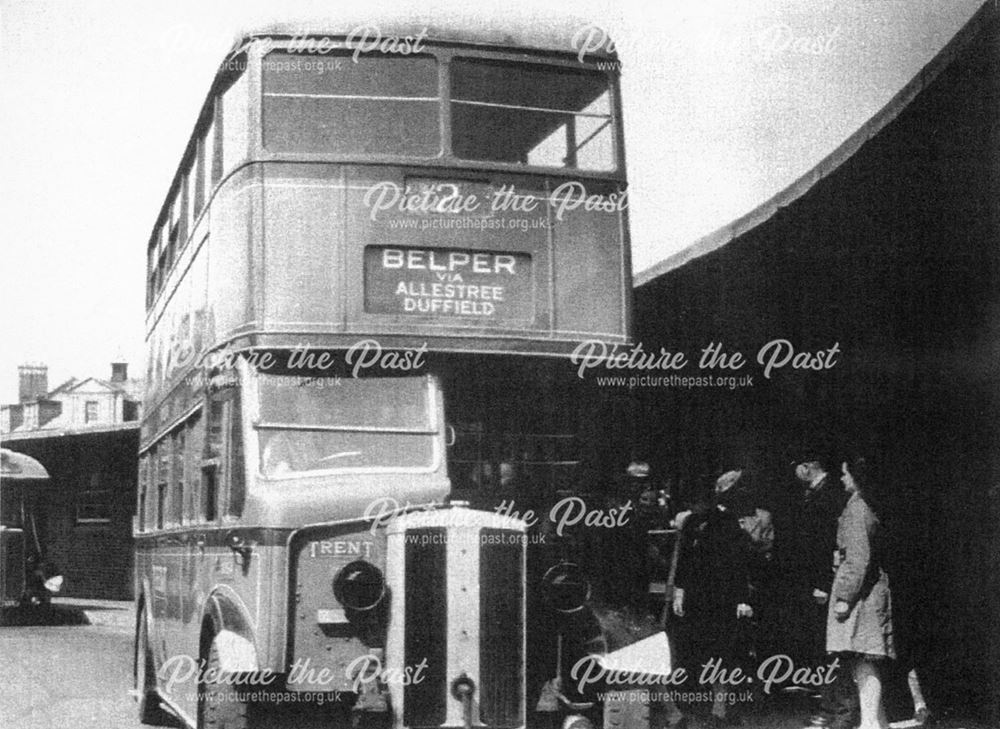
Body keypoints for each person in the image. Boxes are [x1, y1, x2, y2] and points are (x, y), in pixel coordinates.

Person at [673, 471, 755, 726]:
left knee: (724, 653)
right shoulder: (694, 523)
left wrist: (743, 599)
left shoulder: (733, 524)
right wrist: (679, 590)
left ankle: (723, 710)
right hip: (698, 598)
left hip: (725, 599)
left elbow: (740, 565)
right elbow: (684, 560)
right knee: (697, 653)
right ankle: (700, 710)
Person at [783, 454, 857, 729]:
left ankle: (838, 710)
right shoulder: (817, 494)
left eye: (796, 468)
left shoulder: (830, 496)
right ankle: (831, 707)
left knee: (832, 650)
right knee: (822, 648)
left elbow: (829, 543)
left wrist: (823, 585)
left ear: (807, 466)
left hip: (824, 585)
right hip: (815, 583)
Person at [827, 457, 895, 729]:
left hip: (861, 598)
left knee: (864, 659)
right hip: (866, 593)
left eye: (845, 474)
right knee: (863, 659)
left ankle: (869, 724)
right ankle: (878, 722)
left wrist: (844, 597)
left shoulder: (857, 509)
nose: (842, 479)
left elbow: (858, 559)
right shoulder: (863, 506)